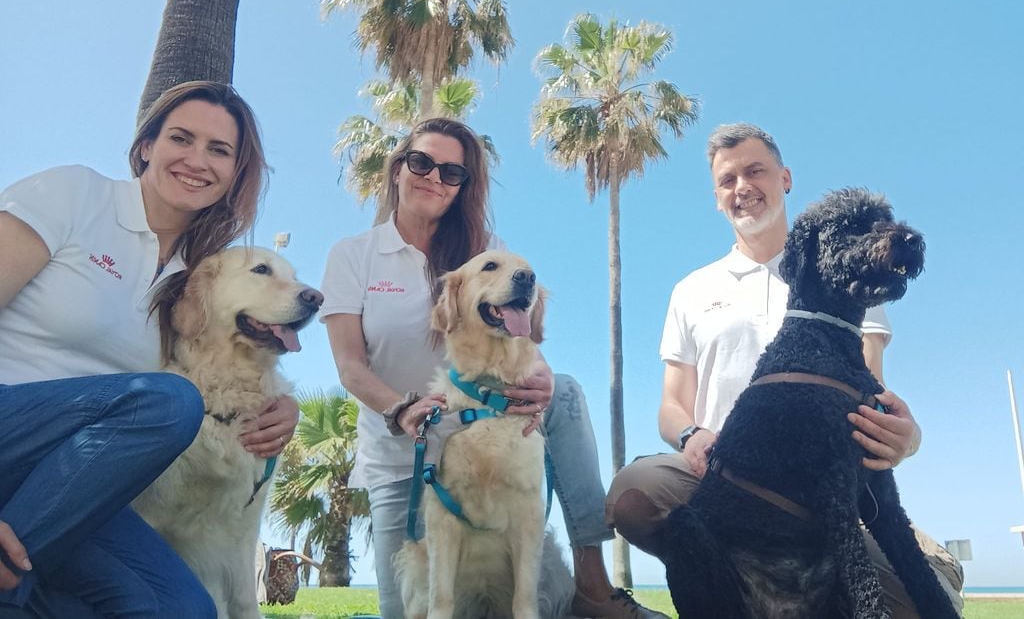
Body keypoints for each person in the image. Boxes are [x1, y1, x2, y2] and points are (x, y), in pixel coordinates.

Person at [606, 122, 964, 617]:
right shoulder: (692, 289)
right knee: (633, 491)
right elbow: (671, 403)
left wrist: (910, 438)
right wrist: (691, 434)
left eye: (755, 171)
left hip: (826, 496)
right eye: (728, 180)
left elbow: (870, 389)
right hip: (720, 477)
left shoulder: (851, 273)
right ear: (716, 198)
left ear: (785, 178)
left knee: (926, 603)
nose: (742, 187)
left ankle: (932, 560)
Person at [322, 117, 668, 619]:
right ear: (398, 169)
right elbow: (350, 367)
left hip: (489, 425)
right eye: (422, 163)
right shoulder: (354, 256)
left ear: (463, 186)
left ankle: (592, 584)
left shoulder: (488, 251)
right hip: (404, 456)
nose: (434, 178)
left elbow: (521, 332)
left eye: (452, 173)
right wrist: (401, 410)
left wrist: (543, 375)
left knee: (565, 389)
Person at [0, 81, 300, 618]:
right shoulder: (75, 194)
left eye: (219, 150)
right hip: (12, 426)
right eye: (181, 138)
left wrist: (284, 407)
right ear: (145, 147)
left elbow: (219, 374)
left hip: (75, 481)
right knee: (166, 402)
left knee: (182, 610)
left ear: (235, 173)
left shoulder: (202, 274)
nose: (196, 160)